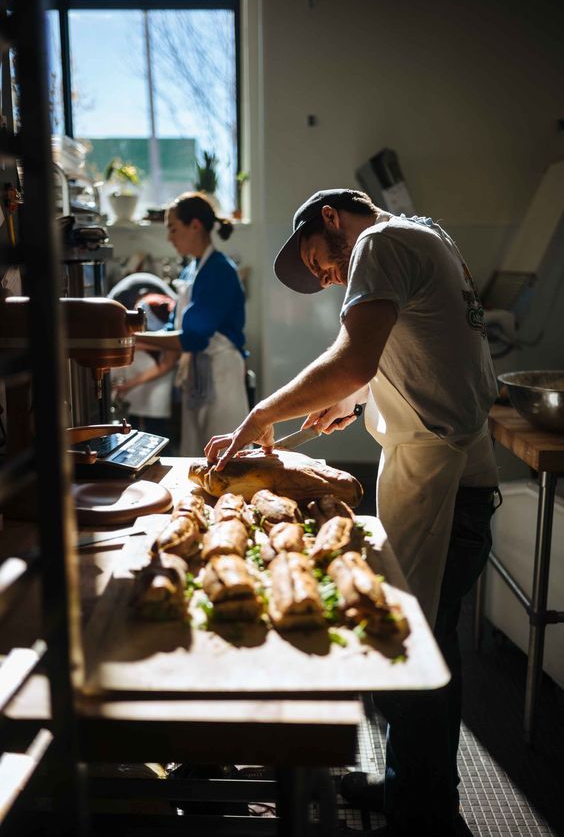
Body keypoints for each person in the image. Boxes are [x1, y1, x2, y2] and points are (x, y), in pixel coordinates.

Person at [204, 189, 500, 837]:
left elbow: (354, 355)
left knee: (415, 653)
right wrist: (359, 398)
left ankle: (422, 815)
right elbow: (417, 348)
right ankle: (411, 786)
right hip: (457, 473)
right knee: (431, 643)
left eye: (316, 258)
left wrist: (262, 415)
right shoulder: (425, 234)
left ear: (331, 219)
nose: (325, 275)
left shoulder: (378, 242)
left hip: (445, 483)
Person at [134, 192, 248, 456]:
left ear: (195, 225)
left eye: (173, 229)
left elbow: (193, 338)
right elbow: (176, 327)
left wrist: (136, 339)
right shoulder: (191, 270)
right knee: (196, 455)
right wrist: (136, 338)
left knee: (225, 458)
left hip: (221, 375)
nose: (169, 238)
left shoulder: (219, 270)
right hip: (198, 374)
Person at [112, 293, 178, 437]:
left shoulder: (172, 334)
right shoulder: (145, 306)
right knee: (133, 429)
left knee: (156, 432)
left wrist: (128, 385)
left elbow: (166, 363)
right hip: (134, 390)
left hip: (156, 392)